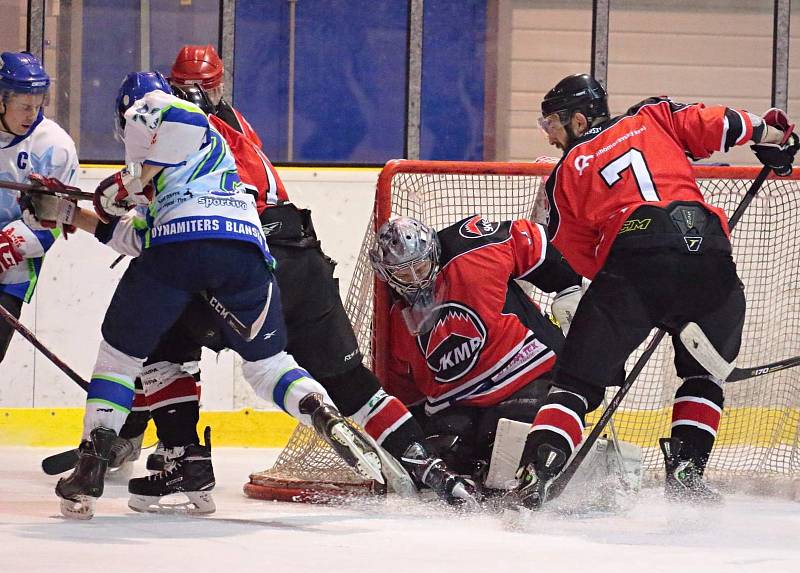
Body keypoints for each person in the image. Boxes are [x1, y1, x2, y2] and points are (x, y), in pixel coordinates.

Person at [108, 82, 477, 508]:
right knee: (351, 382)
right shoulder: (236, 134)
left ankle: (183, 456)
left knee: (162, 339)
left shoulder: (179, 148)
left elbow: (159, 230)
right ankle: (433, 469)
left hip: (248, 265)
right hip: (304, 259)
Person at [42, 72, 387, 519]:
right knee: (267, 366)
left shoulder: (160, 114)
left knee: (120, 360)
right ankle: (315, 406)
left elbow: (145, 200)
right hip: (245, 254)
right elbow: (136, 231)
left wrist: (118, 186)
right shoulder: (220, 146)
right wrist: (73, 212)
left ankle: (94, 459)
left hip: (179, 251)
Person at [515, 73, 799, 508]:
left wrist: (623, 284)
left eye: (552, 124)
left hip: (634, 258)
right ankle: (687, 475)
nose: (551, 136)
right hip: (708, 251)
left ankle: (536, 476)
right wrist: (772, 134)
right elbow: (720, 122)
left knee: (574, 383)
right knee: (703, 374)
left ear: (576, 119)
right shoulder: (653, 116)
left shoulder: (562, 175)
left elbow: (572, 256)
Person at [369, 214, 584, 484]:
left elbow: (536, 244)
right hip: (457, 404)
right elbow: (402, 388)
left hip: (524, 373)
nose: (414, 279)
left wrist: (568, 286)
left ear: (433, 251)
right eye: (402, 273)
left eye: (420, 267)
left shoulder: (473, 247)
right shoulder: (389, 314)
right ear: (386, 274)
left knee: (521, 440)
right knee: (440, 462)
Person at [0, 51, 78, 361]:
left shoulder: (54, 147)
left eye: (37, 105)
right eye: (23, 106)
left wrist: (9, 244)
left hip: (12, 273)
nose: (31, 115)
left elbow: (56, 220)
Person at [169, 45, 259, 146]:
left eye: (204, 94)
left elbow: (248, 158)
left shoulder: (233, 126)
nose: (194, 101)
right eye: (185, 93)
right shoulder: (162, 111)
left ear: (218, 90)